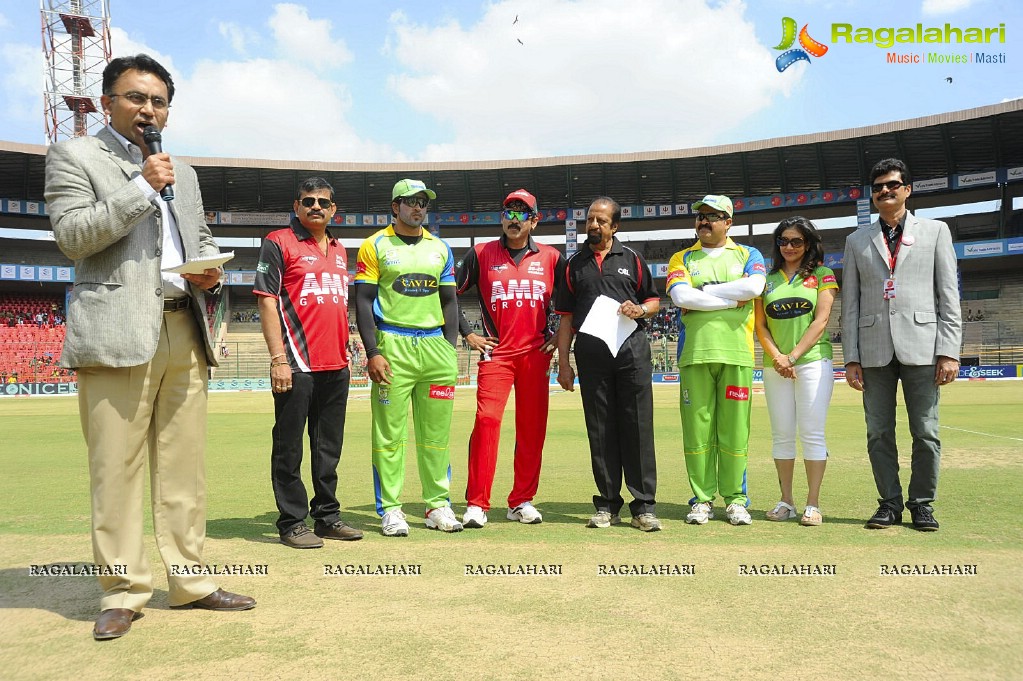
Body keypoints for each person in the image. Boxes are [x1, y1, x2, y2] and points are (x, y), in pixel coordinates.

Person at [45, 54, 254, 641]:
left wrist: (210, 271)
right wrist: (141, 185)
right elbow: (72, 237)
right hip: (116, 332)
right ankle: (122, 589)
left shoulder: (182, 172)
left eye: (159, 101)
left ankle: (191, 581)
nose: (149, 110)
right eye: (136, 97)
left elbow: (199, 236)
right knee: (116, 469)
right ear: (107, 101)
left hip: (183, 328)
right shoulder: (76, 156)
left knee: (185, 470)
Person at [842, 158, 962, 532]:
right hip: (873, 348)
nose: (885, 191)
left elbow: (948, 295)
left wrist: (949, 350)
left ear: (907, 190)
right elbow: (851, 303)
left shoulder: (936, 232)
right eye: (878, 187)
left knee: (925, 431)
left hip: (924, 347)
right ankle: (889, 503)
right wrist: (851, 358)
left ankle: (922, 504)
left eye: (892, 185)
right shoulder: (856, 240)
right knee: (878, 432)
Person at [253, 177, 362, 549]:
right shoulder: (278, 242)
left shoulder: (339, 248)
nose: (316, 207)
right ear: (296, 206)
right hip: (296, 362)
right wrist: (278, 358)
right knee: (289, 446)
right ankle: (291, 522)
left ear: (334, 210)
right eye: (308, 201)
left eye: (323, 202)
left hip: (336, 364)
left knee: (328, 446)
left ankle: (327, 517)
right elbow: (267, 300)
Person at [355, 179, 463, 536]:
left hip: (435, 349)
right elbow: (363, 301)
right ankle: (391, 509)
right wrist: (373, 351)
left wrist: (448, 346)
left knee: (436, 435)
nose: (418, 208)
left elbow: (450, 301)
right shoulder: (375, 246)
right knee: (389, 435)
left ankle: (437, 505)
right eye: (410, 202)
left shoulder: (440, 249)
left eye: (423, 202)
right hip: (393, 346)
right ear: (395, 206)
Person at [455, 189, 567, 528]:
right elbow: (448, 293)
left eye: (522, 213)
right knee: (487, 421)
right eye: (508, 212)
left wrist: (556, 339)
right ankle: (477, 503)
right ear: (501, 218)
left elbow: (567, 306)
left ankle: (521, 500)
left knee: (532, 429)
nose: (514, 219)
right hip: (496, 354)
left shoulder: (552, 258)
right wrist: (468, 333)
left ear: (534, 221)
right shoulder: (480, 254)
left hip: (535, 356)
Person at [554, 196, 662, 532]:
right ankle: (607, 505)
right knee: (600, 431)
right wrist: (564, 364)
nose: (594, 225)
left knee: (638, 428)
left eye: (601, 221)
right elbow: (567, 318)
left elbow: (654, 300)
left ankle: (643, 506)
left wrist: (640, 310)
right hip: (591, 356)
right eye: (590, 220)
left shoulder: (633, 259)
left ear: (615, 226)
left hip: (631, 353)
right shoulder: (573, 265)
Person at [666, 195, 766, 526]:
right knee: (697, 432)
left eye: (713, 216)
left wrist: (705, 293)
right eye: (701, 216)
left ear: (728, 221)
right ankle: (702, 499)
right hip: (694, 354)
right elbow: (681, 295)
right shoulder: (681, 257)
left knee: (735, 431)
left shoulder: (748, 254)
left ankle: (736, 500)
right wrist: (728, 300)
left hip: (736, 354)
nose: (704, 221)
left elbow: (755, 286)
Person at [753, 217, 838, 526]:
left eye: (796, 242)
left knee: (812, 433)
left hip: (813, 360)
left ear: (809, 244)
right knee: (782, 435)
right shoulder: (767, 278)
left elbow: (821, 320)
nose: (788, 247)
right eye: (783, 241)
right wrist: (778, 357)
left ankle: (812, 504)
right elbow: (760, 325)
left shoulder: (823, 275)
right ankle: (786, 501)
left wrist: (793, 356)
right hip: (775, 365)